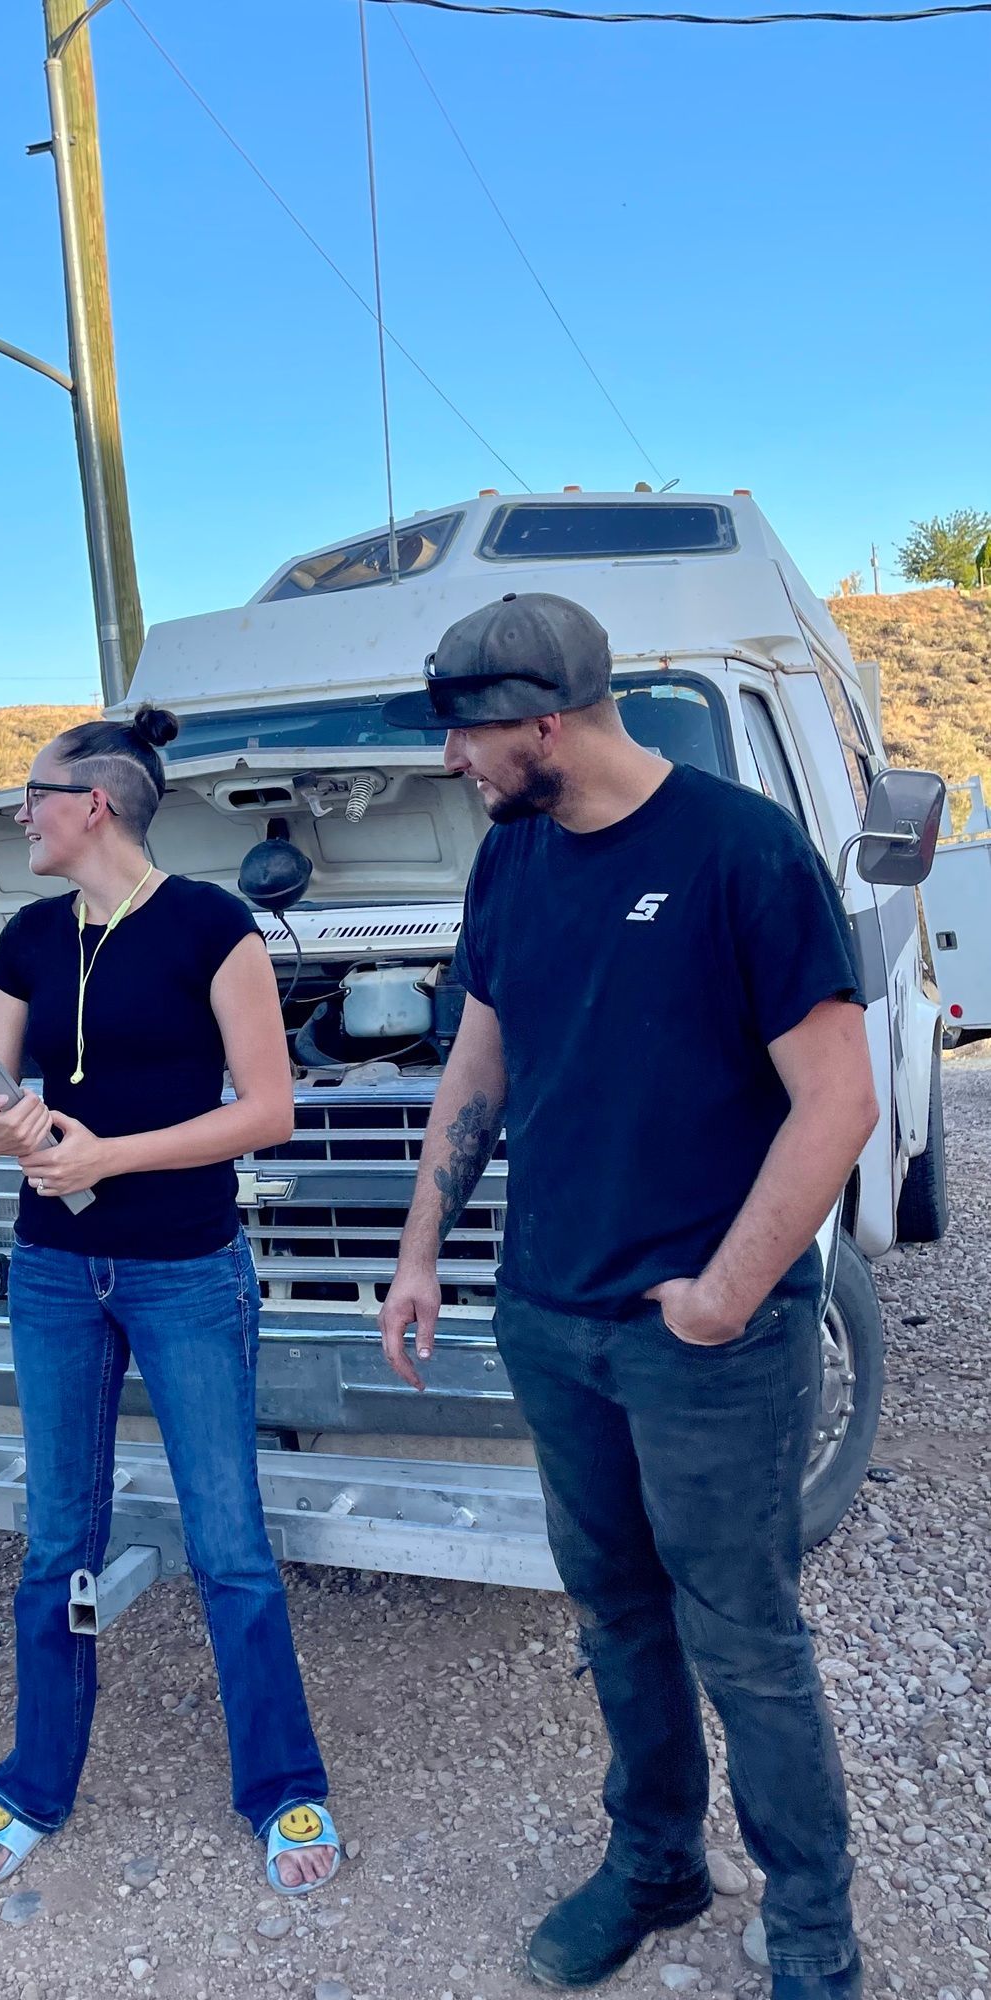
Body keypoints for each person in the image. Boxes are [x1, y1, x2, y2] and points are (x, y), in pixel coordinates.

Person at [378, 595, 874, 2000]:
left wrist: (724, 1295)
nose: (454, 764)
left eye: (465, 734)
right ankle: (656, 1864)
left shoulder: (738, 851)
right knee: (615, 1615)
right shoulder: (514, 859)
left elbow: (837, 1102)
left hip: (702, 1346)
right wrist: (423, 1250)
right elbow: (479, 1068)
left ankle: (816, 1920)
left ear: (545, 719)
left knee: (746, 1636)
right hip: (551, 1318)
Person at [0, 705, 339, 1896]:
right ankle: (34, 1780)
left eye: (33, 793)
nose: (21, 812)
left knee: (230, 1544)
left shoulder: (213, 928)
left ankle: (285, 1787)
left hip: (183, 1266)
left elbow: (267, 1110)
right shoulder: (25, 936)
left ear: (94, 802)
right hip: (54, 1274)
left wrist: (105, 1155)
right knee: (53, 1539)